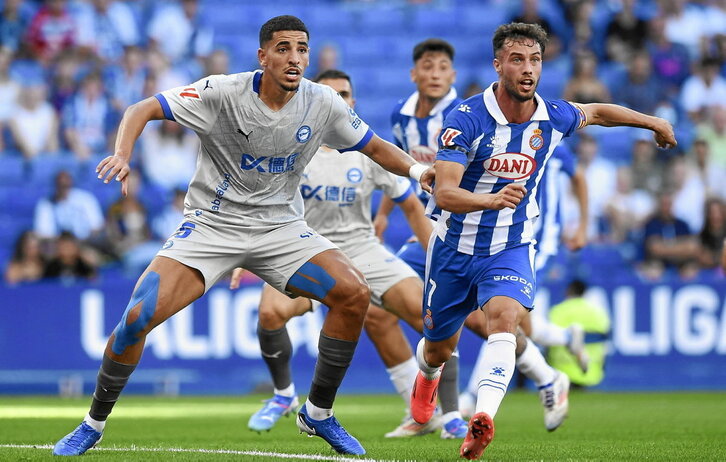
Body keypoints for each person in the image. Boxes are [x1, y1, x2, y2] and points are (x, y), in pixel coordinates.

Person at [52, 15, 431, 457]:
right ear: (263, 56)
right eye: (284, 48)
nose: (295, 58)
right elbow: (143, 108)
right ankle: (93, 423)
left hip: (279, 228)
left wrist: (421, 170)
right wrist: (122, 154)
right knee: (136, 318)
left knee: (353, 293)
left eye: (302, 49)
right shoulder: (221, 92)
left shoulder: (322, 102)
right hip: (212, 226)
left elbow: (376, 147)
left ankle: (319, 413)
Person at [411, 22, 675, 460]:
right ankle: (427, 376)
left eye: (535, 59)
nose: (528, 68)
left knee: (504, 321)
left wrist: (652, 122)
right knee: (438, 346)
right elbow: (443, 193)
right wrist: (491, 199)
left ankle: (483, 419)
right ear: (498, 65)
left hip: (512, 244)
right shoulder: (465, 119)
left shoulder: (551, 115)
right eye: (517, 59)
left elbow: (597, 112)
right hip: (454, 249)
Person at [237, 69, 461, 438]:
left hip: (362, 249)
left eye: (344, 93)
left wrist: (439, 260)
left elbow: (409, 204)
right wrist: (246, 253)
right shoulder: (291, 147)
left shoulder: (368, 151)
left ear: (353, 102)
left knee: (434, 321)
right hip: (302, 248)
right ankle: (283, 395)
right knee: (270, 313)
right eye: (329, 94)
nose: (338, 100)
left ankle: (448, 416)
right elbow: (257, 203)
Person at [547, 280, 611, 387]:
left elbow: (549, 339)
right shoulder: (598, 313)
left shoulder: (559, 311)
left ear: (568, 291)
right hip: (593, 370)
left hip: (561, 368)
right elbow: (605, 340)